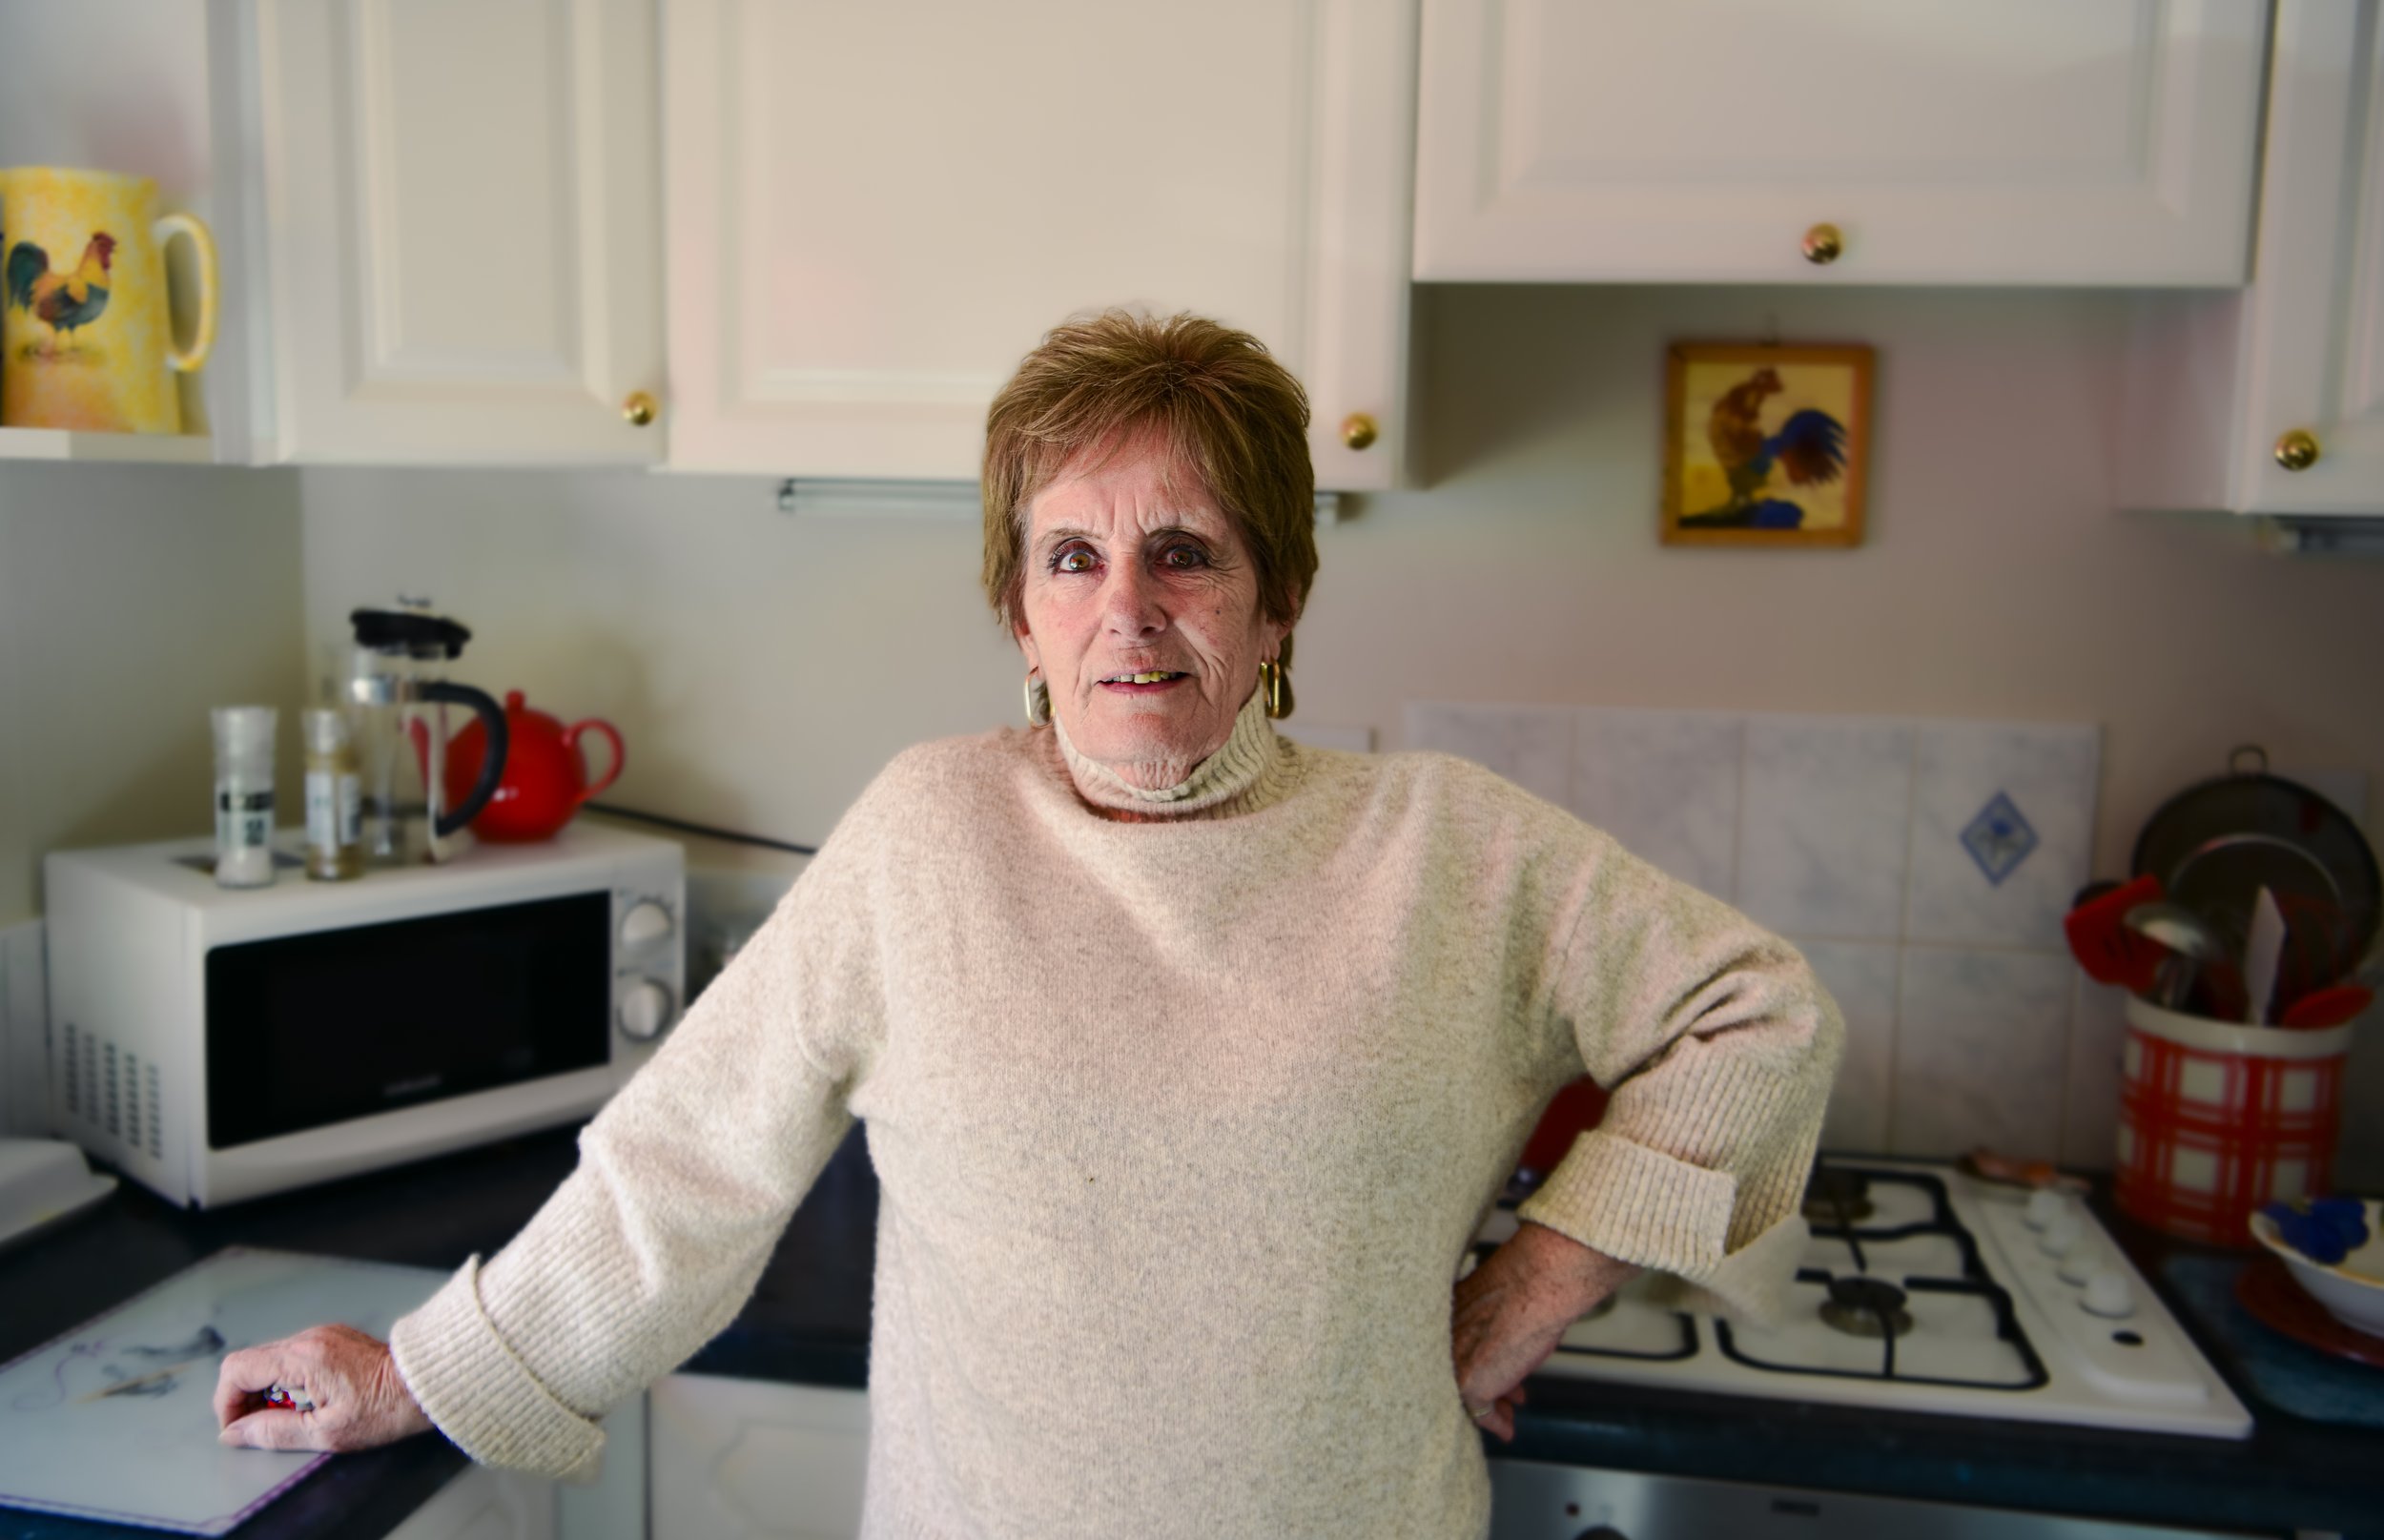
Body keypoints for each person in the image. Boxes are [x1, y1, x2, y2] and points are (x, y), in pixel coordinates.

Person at [216, 310, 1843, 1538]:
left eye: (1187, 555)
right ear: (1020, 608)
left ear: (1279, 604)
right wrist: (421, 1371)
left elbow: (1760, 1014)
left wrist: (1534, 1285)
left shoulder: (1450, 849)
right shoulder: (929, 833)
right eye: (1073, 556)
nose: (1126, 610)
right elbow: (683, 1174)